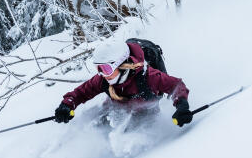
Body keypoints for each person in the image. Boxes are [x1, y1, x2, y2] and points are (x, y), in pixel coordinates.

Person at [54, 40, 194, 127]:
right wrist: (66, 105)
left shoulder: (149, 77)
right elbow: (81, 92)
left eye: (106, 68)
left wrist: (182, 106)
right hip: (115, 109)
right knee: (93, 122)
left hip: (145, 113)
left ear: (122, 65)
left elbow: (176, 86)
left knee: (134, 130)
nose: (102, 73)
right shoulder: (103, 79)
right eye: (98, 68)